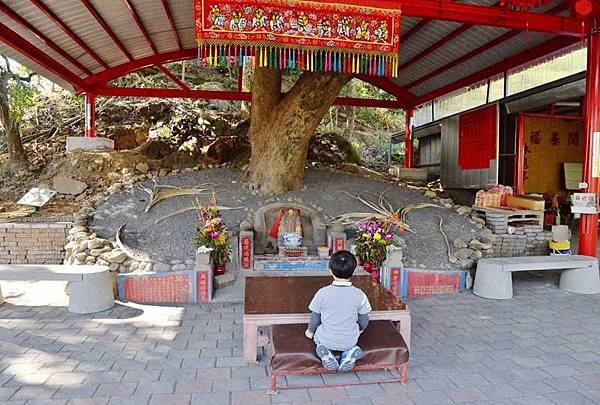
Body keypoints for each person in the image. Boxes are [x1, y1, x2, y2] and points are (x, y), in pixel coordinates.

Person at [304, 250, 372, 371]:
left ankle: (325, 352)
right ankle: (349, 353)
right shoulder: (360, 294)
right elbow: (364, 319)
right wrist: (360, 330)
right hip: (350, 340)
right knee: (350, 335)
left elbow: (315, 318)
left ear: (330, 270)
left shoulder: (322, 293)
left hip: (326, 339)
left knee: (317, 336)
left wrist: (309, 332)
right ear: (354, 271)